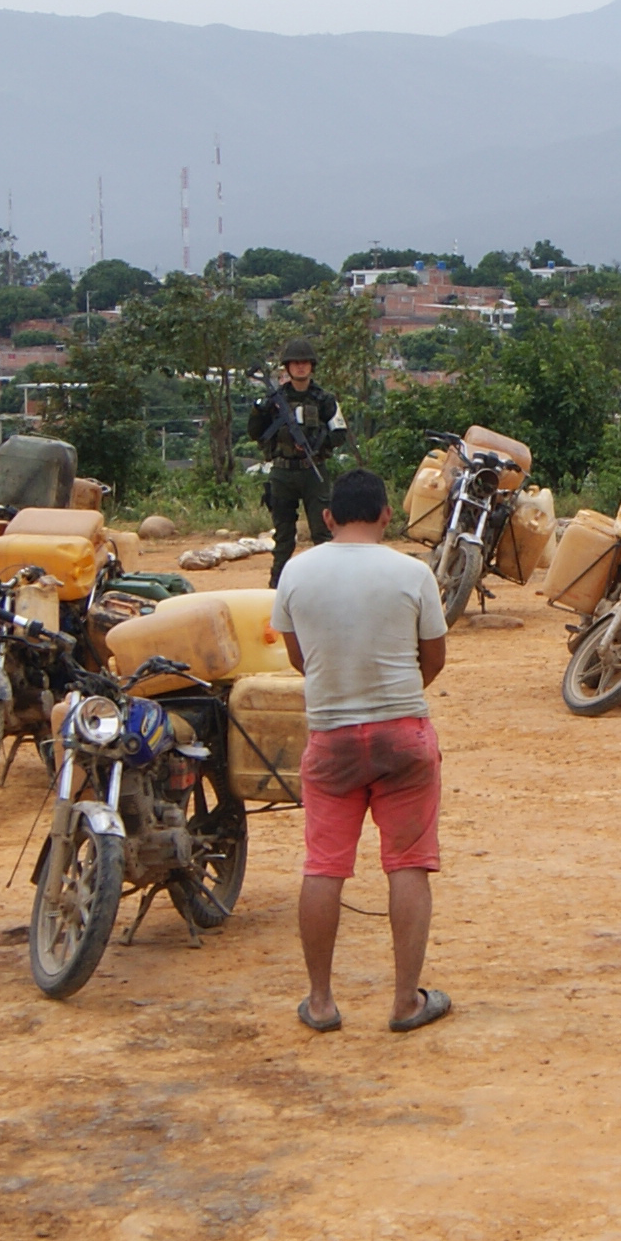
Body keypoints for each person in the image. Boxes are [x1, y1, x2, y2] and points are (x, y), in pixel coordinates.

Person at [267, 470, 453, 1034]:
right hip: (404, 734)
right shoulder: (413, 572)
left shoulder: (295, 572)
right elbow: (434, 658)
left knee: (324, 867)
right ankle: (404, 1002)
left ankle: (321, 1001)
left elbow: (301, 659)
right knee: (408, 863)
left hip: (331, 736)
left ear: (327, 517)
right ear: (386, 515)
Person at [251, 337, 343, 585]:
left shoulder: (324, 400)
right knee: (283, 538)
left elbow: (339, 433)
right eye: (295, 363)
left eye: (305, 363)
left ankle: (328, 586)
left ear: (312, 366)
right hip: (283, 473)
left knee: (323, 535)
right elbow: (256, 433)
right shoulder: (275, 400)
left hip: (313, 473)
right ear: (287, 367)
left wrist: (316, 444)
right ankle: (276, 587)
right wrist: (260, 411)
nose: (300, 367)